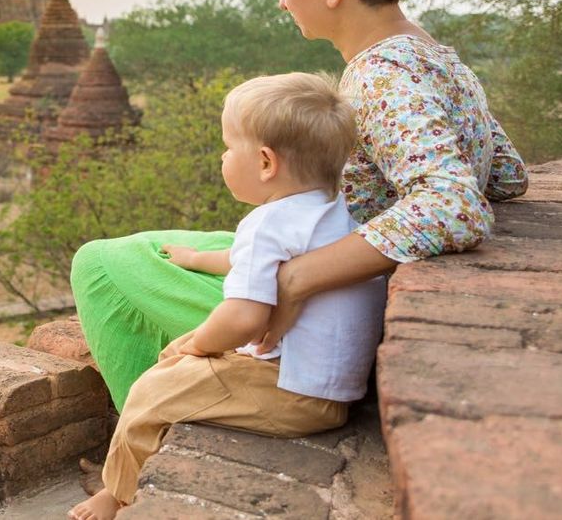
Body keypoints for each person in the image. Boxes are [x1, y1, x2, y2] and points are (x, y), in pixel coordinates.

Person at [70, 0, 528, 411]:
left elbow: (455, 208)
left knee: (99, 263)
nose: (284, 1)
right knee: (163, 249)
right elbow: (508, 175)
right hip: (340, 260)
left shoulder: (380, 77)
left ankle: (146, 434)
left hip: (334, 304)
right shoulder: (438, 57)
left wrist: (297, 280)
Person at [70, 73, 385, 520]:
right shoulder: (335, 210)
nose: (222, 156)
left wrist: (199, 343)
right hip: (335, 388)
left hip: (290, 392)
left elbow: (243, 319)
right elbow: (248, 261)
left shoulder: (266, 224)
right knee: (177, 365)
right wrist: (197, 258)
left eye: (227, 146)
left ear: (264, 163)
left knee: (150, 393)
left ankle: (117, 494)